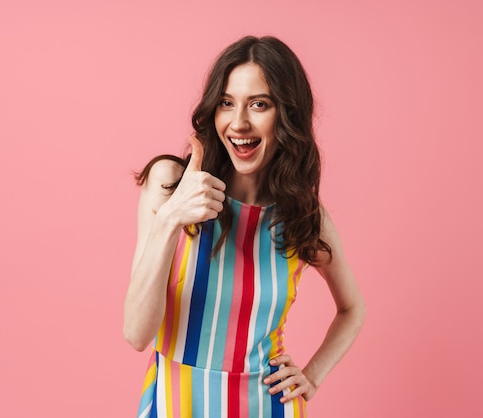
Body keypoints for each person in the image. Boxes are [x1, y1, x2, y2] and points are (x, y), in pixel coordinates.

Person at [124, 35, 365, 418]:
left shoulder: (304, 216)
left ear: (286, 114)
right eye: (226, 103)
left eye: (259, 104)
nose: (239, 123)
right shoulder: (170, 184)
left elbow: (353, 308)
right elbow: (137, 334)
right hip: (175, 403)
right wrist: (171, 218)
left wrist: (312, 376)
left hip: (266, 407)